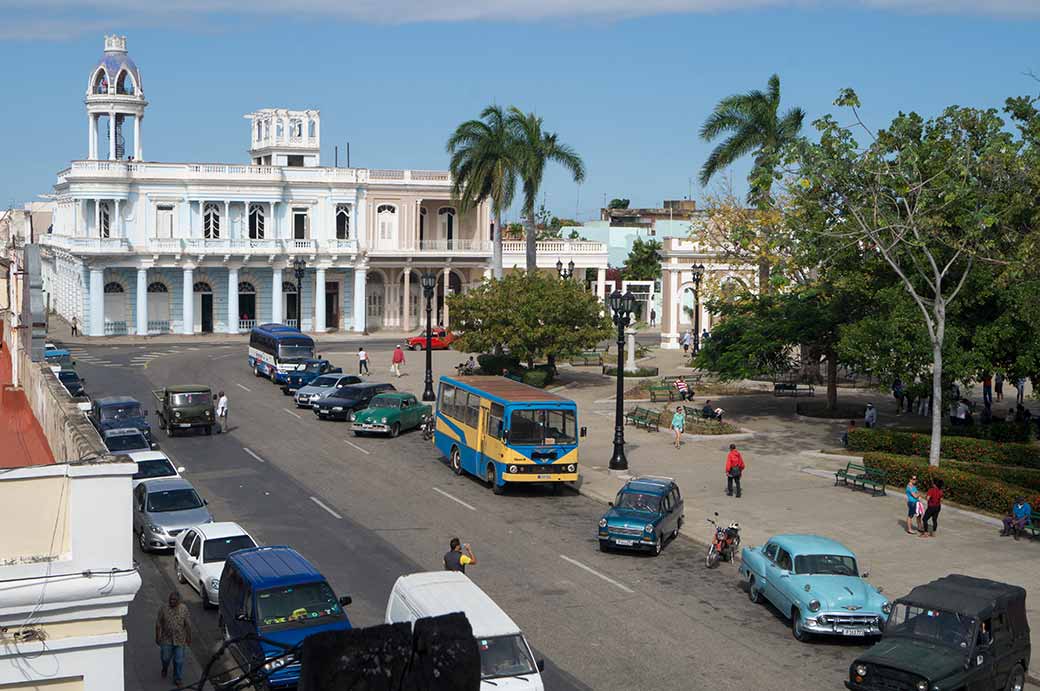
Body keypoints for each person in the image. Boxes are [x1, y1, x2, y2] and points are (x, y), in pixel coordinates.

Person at [156, 591, 191, 686]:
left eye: (174, 600)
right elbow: (158, 623)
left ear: (178, 601)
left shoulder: (184, 609)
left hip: (180, 640)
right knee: (165, 658)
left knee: (178, 660)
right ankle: (165, 668)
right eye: (170, 599)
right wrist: (157, 636)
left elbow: (188, 625)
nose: (172, 601)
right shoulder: (163, 608)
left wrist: (189, 637)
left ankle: (177, 678)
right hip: (166, 639)